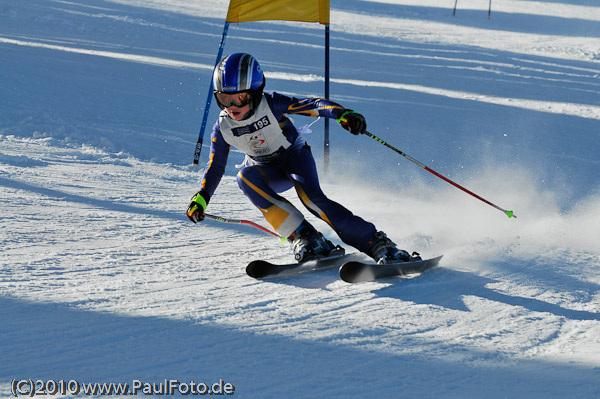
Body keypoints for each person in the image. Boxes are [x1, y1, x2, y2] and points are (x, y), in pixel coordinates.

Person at [187, 53, 417, 264]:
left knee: (312, 199)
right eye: (224, 99)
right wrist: (202, 197)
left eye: (240, 98)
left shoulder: (272, 104)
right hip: (269, 171)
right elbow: (215, 167)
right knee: (244, 177)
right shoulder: (223, 128)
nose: (232, 106)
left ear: (256, 93)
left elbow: (313, 104)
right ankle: (306, 237)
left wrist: (341, 114)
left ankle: (376, 243)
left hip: (294, 158)